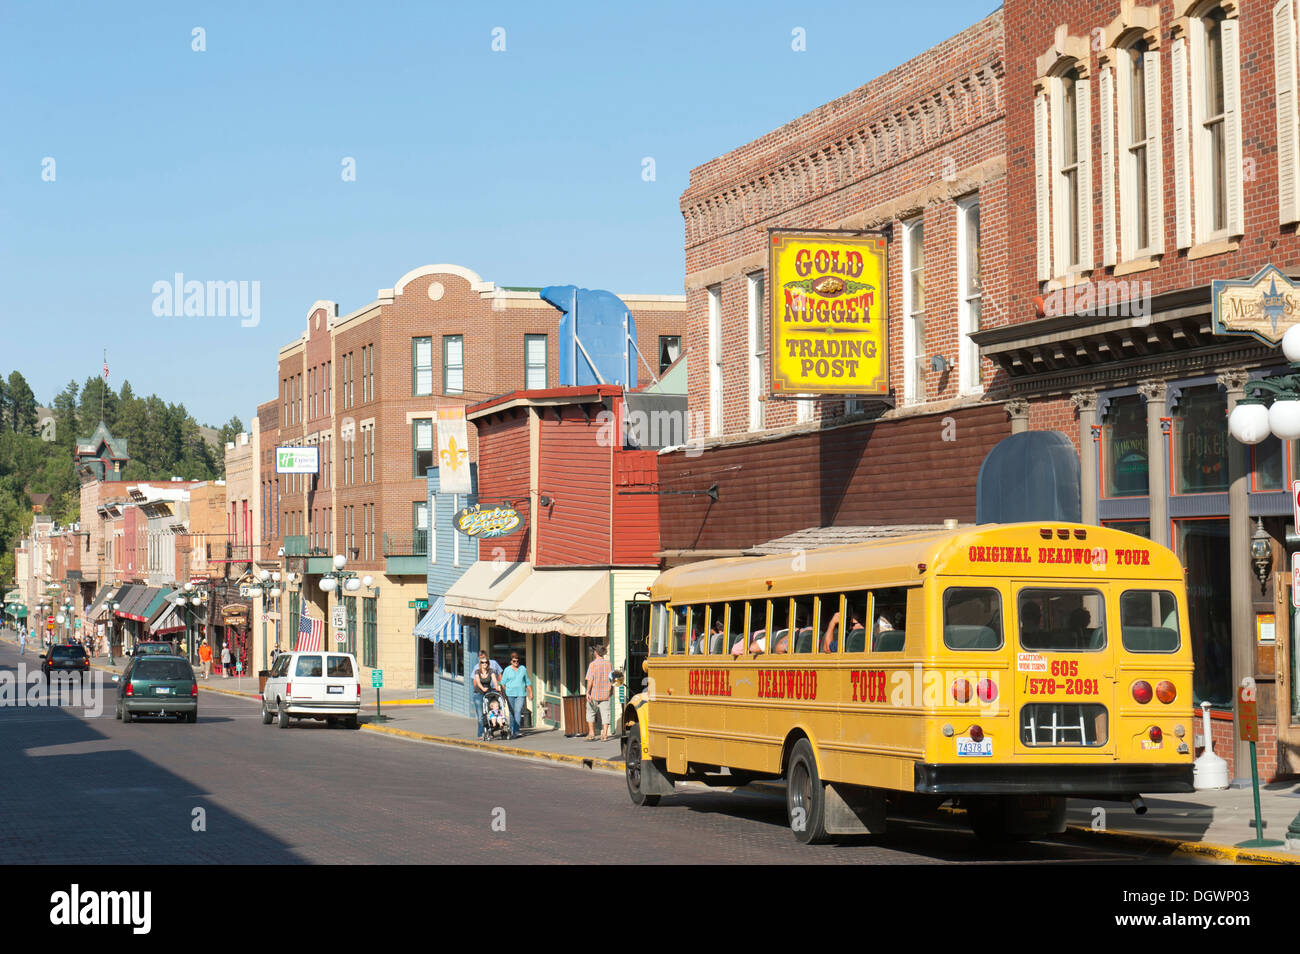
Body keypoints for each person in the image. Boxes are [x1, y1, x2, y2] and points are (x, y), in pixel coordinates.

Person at [499, 652, 533, 739]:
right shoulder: (507, 670)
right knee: (511, 712)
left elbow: (527, 681)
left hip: (521, 694)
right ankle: (512, 729)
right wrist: (504, 692)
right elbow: (502, 683)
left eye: (517, 661)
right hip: (510, 694)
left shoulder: (523, 669)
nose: (516, 663)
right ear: (511, 661)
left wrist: (530, 692)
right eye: (514, 661)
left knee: (517, 711)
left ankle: (516, 731)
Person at [584, 643, 613, 741]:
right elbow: (611, 679)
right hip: (605, 694)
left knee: (590, 712)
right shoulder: (609, 664)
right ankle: (604, 734)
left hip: (594, 694)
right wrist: (611, 691)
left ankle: (591, 733)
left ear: (596, 653)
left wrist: (587, 692)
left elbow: (590, 680)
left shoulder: (592, 665)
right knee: (606, 714)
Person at [471, 658, 500, 740]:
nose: (485, 664)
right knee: (480, 715)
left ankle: (490, 732)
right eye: (482, 662)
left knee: (490, 713)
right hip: (478, 693)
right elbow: (478, 682)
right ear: (480, 664)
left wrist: (497, 687)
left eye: (486, 662)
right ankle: (480, 734)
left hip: (488, 693)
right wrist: (482, 688)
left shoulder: (491, 671)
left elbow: (494, 680)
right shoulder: (477, 671)